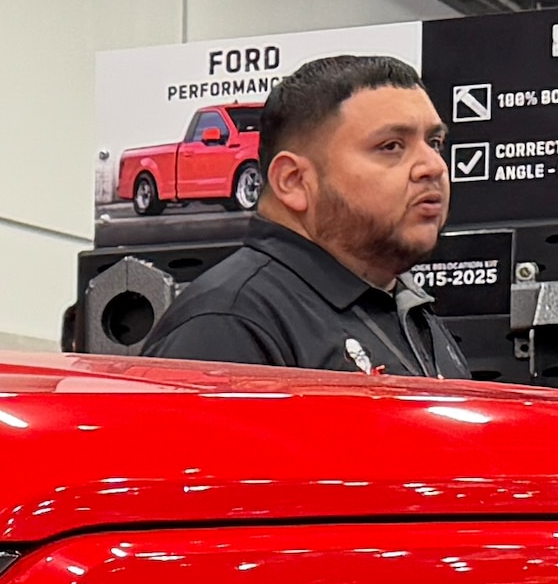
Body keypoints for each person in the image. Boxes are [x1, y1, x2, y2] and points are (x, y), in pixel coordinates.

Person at [142, 54, 473, 373]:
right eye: (391, 146)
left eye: (435, 142)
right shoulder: (227, 326)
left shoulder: (403, 308)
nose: (434, 166)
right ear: (294, 181)